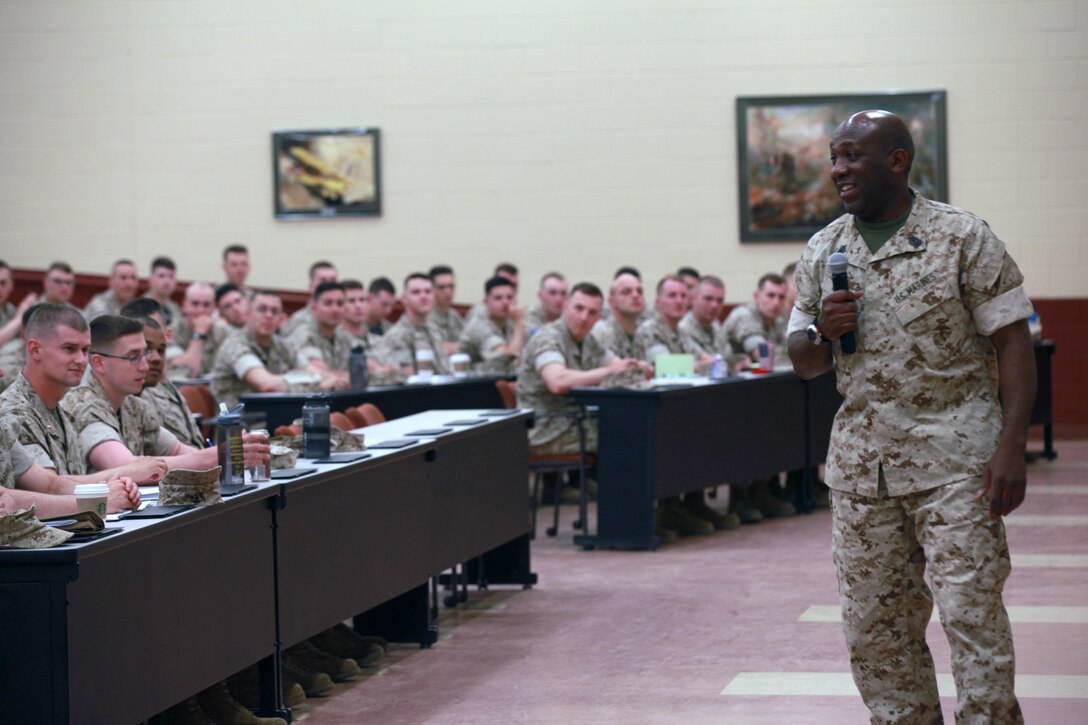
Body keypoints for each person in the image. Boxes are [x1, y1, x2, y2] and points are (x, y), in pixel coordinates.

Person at [788, 110, 1034, 723]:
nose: (838, 169)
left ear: (897, 160)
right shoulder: (825, 249)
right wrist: (824, 328)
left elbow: (1013, 345)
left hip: (957, 463)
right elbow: (802, 360)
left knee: (971, 616)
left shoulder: (960, 237)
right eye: (834, 157)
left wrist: (1011, 448)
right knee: (876, 630)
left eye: (852, 156)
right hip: (862, 472)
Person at [63, 316, 268, 474]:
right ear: (99, 363)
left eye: (144, 355)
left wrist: (234, 453)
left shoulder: (134, 406)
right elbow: (127, 466)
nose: (145, 366)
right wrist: (219, 455)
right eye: (133, 357)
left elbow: (178, 451)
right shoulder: (83, 406)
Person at [0, 304, 167, 483]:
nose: (81, 360)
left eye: (85, 350)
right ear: (35, 350)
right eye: (69, 349)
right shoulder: (14, 413)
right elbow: (50, 488)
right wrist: (127, 474)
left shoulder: (61, 414)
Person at [635, 276, 732, 535]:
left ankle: (693, 502)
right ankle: (671, 509)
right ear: (657, 302)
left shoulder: (681, 331)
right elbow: (666, 367)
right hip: (658, 413)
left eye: (682, 296)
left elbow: (707, 360)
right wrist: (703, 363)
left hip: (681, 409)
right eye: (671, 296)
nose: (678, 301)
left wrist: (704, 363)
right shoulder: (650, 329)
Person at [516, 283, 648, 457]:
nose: (584, 317)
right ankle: (608, 484)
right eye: (578, 308)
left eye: (592, 312)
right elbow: (557, 382)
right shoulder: (547, 337)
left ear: (599, 317)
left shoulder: (589, 340)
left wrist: (636, 367)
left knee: (636, 425)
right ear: (565, 306)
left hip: (575, 422)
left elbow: (618, 365)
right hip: (545, 430)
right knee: (626, 434)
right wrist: (610, 371)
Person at [0, 402, 141, 517]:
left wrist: (104, 491)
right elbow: (5, 500)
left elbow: (50, 485)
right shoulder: (15, 409)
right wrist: (98, 503)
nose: (1, 373)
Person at [211, 290, 340, 409]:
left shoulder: (283, 345)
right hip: (239, 426)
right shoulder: (236, 344)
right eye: (262, 309)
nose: (269, 315)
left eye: (274, 311)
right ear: (248, 314)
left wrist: (328, 379)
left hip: (274, 418)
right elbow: (266, 384)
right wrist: (318, 384)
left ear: (281, 318)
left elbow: (317, 373)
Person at [122, 301, 206, 450]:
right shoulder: (130, 395)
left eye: (155, 326)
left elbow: (186, 449)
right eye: (146, 348)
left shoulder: (165, 386)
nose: (155, 357)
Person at [288, 281, 354, 384]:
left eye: (340, 304)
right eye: (328, 303)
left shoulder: (344, 336)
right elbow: (318, 370)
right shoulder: (304, 333)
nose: (335, 309)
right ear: (314, 308)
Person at [458, 276, 526, 376]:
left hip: (494, 380)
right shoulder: (478, 325)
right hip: (468, 384)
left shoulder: (509, 322)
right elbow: (506, 357)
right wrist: (519, 323)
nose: (505, 303)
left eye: (510, 297)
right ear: (486, 302)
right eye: (498, 298)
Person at [384, 273, 450, 375]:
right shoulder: (398, 335)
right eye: (416, 292)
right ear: (404, 299)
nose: (423, 296)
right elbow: (408, 379)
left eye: (428, 292)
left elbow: (445, 368)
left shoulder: (434, 329)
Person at [721, 272, 789, 366]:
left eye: (781, 297)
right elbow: (763, 355)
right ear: (756, 296)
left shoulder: (777, 320)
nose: (776, 303)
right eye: (771, 295)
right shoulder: (744, 315)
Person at [340, 280, 398, 378]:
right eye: (351, 301)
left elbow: (396, 372)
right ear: (340, 306)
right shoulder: (338, 342)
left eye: (362, 300)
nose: (358, 306)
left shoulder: (380, 340)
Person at [167, 282, 217, 378]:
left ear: (214, 307)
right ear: (184, 305)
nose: (200, 310)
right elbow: (189, 371)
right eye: (195, 304)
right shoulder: (171, 332)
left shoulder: (222, 332)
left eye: (206, 305)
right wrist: (199, 334)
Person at [591, 271, 645, 359]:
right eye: (626, 292)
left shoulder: (640, 334)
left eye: (639, 291)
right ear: (612, 302)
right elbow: (612, 371)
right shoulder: (603, 333)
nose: (635, 295)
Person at [678, 275, 727, 371]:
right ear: (693, 299)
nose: (714, 305)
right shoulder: (683, 329)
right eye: (708, 299)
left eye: (719, 300)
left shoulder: (716, 326)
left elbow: (727, 359)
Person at [281, 260, 338, 337]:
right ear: (311, 287)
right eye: (323, 282)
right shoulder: (299, 321)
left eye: (333, 281)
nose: (330, 286)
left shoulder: (342, 319)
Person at [0, 260, 38, 348]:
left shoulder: (9, 309)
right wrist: (20, 316)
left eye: (3, 283)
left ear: (11, 285)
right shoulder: (17, 313)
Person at [427, 264, 464, 355]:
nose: (448, 291)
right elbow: (436, 348)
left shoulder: (454, 315)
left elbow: (469, 344)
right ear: (431, 289)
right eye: (442, 287)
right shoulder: (425, 316)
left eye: (451, 286)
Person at [143, 256, 182, 328]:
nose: (167, 281)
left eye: (171, 276)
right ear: (150, 280)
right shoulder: (138, 307)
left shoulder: (176, 310)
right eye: (161, 276)